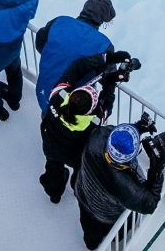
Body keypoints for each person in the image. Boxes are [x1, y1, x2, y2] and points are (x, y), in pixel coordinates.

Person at [74, 121, 165, 250]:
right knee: (121, 227)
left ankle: (91, 244)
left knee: (89, 229)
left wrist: (137, 127)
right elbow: (150, 204)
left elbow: (115, 134)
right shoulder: (125, 186)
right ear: (131, 157)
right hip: (105, 214)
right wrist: (157, 169)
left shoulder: (98, 137)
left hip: (83, 192)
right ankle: (118, 237)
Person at [37, 55, 116, 204]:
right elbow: (108, 101)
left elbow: (72, 72)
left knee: (53, 169)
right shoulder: (94, 122)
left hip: (51, 146)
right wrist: (111, 82)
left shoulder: (57, 97)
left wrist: (89, 62)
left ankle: (54, 193)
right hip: (76, 156)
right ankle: (77, 189)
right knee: (80, 174)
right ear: (90, 111)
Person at [35, 0, 117, 98]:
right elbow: (110, 78)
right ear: (103, 18)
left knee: (49, 110)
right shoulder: (103, 45)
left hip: (44, 89)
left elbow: (40, 43)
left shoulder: (59, 21)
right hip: (71, 101)